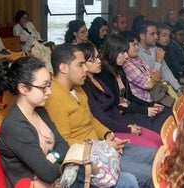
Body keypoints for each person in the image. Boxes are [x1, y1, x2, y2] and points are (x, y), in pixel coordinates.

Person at [45, 43, 156, 187]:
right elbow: (65, 143)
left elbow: (91, 119)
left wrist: (107, 134)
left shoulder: (77, 88)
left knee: (152, 155)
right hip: (86, 159)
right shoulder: (54, 97)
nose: (85, 69)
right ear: (63, 68)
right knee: (147, 174)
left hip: (100, 146)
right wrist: (101, 146)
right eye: (80, 65)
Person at [0, 57, 69, 188]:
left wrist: (52, 157)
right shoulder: (15, 126)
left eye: (49, 85)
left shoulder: (41, 111)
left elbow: (64, 146)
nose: (49, 92)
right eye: (43, 87)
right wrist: (60, 163)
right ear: (23, 89)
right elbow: (49, 174)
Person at [79, 42, 162, 148]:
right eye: (93, 59)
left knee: (158, 139)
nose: (99, 61)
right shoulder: (86, 85)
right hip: (109, 130)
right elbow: (101, 118)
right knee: (152, 146)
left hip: (120, 121)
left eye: (98, 57)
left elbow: (113, 106)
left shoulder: (97, 78)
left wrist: (127, 124)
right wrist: (127, 128)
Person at [98, 34, 171, 134]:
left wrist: (151, 105)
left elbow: (130, 96)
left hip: (130, 108)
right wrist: (145, 110)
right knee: (158, 126)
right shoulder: (104, 75)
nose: (126, 56)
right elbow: (115, 105)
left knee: (167, 114)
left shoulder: (119, 69)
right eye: (123, 52)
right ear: (112, 52)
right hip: (121, 114)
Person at [137, 20, 182, 91]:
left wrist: (178, 89)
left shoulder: (155, 49)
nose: (156, 37)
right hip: (152, 92)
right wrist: (158, 62)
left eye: (156, 34)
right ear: (142, 36)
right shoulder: (137, 53)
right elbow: (151, 79)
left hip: (165, 88)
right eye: (152, 34)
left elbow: (166, 71)